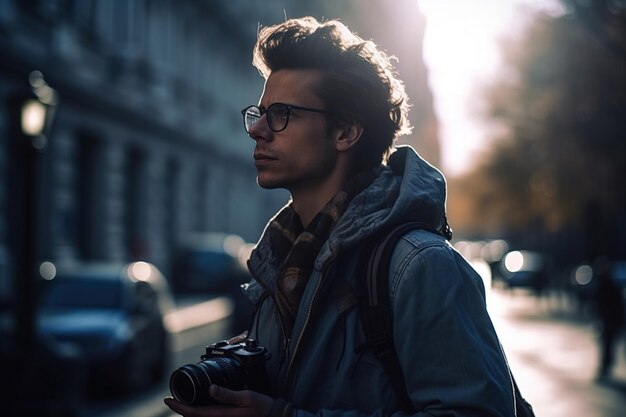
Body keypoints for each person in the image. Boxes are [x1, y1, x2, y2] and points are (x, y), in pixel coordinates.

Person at [165, 16, 517, 417]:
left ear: (346, 133)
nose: (258, 130)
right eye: (258, 113)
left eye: (281, 114)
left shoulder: (420, 266)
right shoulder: (277, 265)